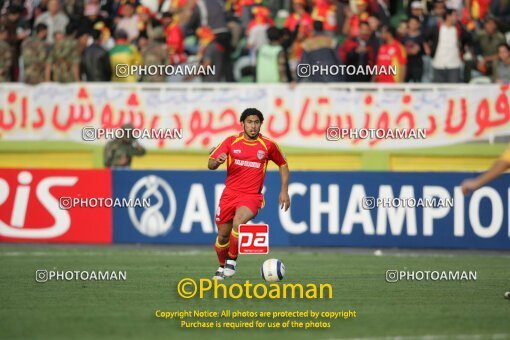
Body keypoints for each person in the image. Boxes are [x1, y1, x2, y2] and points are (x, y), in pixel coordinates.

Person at [208, 108, 290, 280]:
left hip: (251, 196)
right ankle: (222, 267)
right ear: (242, 124)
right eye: (249, 122)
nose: (253, 126)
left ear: (261, 124)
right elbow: (210, 164)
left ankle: (232, 261)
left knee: (238, 221)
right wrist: (217, 161)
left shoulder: (268, 145)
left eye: (256, 122)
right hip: (229, 195)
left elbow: (283, 164)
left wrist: (284, 190)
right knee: (223, 235)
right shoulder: (231, 141)